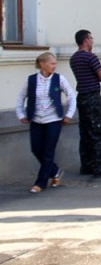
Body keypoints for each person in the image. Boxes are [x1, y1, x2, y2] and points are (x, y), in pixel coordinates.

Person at [16, 52, 76, 194]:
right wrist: (20, 114)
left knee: (48, 151)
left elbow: (71, 96)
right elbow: (21, 98)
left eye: (55, 64)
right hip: (36, 119)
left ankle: (40, 182)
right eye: (52, 63)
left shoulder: (59, 79)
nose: (54, 66)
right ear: (42, 64)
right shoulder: (31, 80)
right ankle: (55, 171)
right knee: (36, 149)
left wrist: (68, 115)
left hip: (53, 120)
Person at [69, 29, 101, 178]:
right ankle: (99, 167)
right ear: (85, 40)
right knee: (99, 132)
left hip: (81, 97)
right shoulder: (91, 57)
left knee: (85, 132)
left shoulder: (74, 58)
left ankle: (86, 165)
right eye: (91, 38)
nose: (92, 41)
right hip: (93, 97)